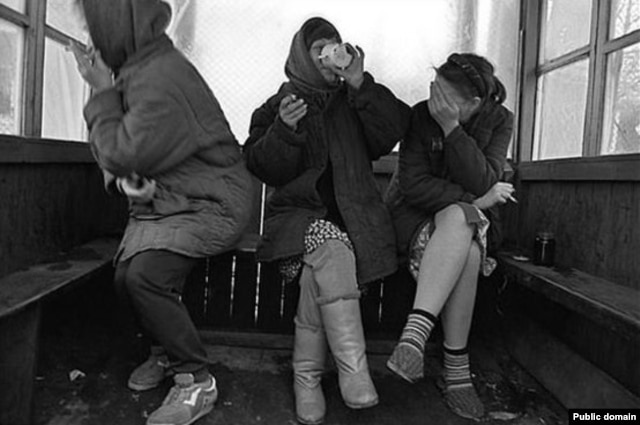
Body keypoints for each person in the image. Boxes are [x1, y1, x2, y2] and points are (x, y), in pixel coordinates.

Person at [70, 1, 253, 424]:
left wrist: (100, 90)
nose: (93, 40)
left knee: (145, 276)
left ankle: (197, 380)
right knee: (124, 276)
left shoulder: (160, 76)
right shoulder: (139, 68)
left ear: (117, 28)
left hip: (211, 202)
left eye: (96, 29)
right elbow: (130, 158)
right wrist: (130, 180)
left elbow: (118, 152)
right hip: (173, 198)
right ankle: (166, 353)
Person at [244, 17, 410, 425]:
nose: (328, 55)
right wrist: (285, 130)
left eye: (333, 46)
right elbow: (263, 167)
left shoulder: (353, 100)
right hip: (296, 228)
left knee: (317, 276)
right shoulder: (276, 108)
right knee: (330, 251)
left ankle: (307, 379)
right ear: (303, 56)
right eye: (318, 49)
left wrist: (361, 84)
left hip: (357, 232)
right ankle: (354, 371)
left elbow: (393, 131)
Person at [384, 53, 514, 420]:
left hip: (470, 224)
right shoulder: (419, 116)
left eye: (446, 99)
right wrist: (476, 201)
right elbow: (413, 185)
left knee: (465, 234)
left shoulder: (500, 120)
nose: (435, 102)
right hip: (414, 218)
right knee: (464, 228)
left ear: (474, 103)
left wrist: (452, 131)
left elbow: (486, 178)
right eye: (434, 90)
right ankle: (457, 371)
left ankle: (415, 334)